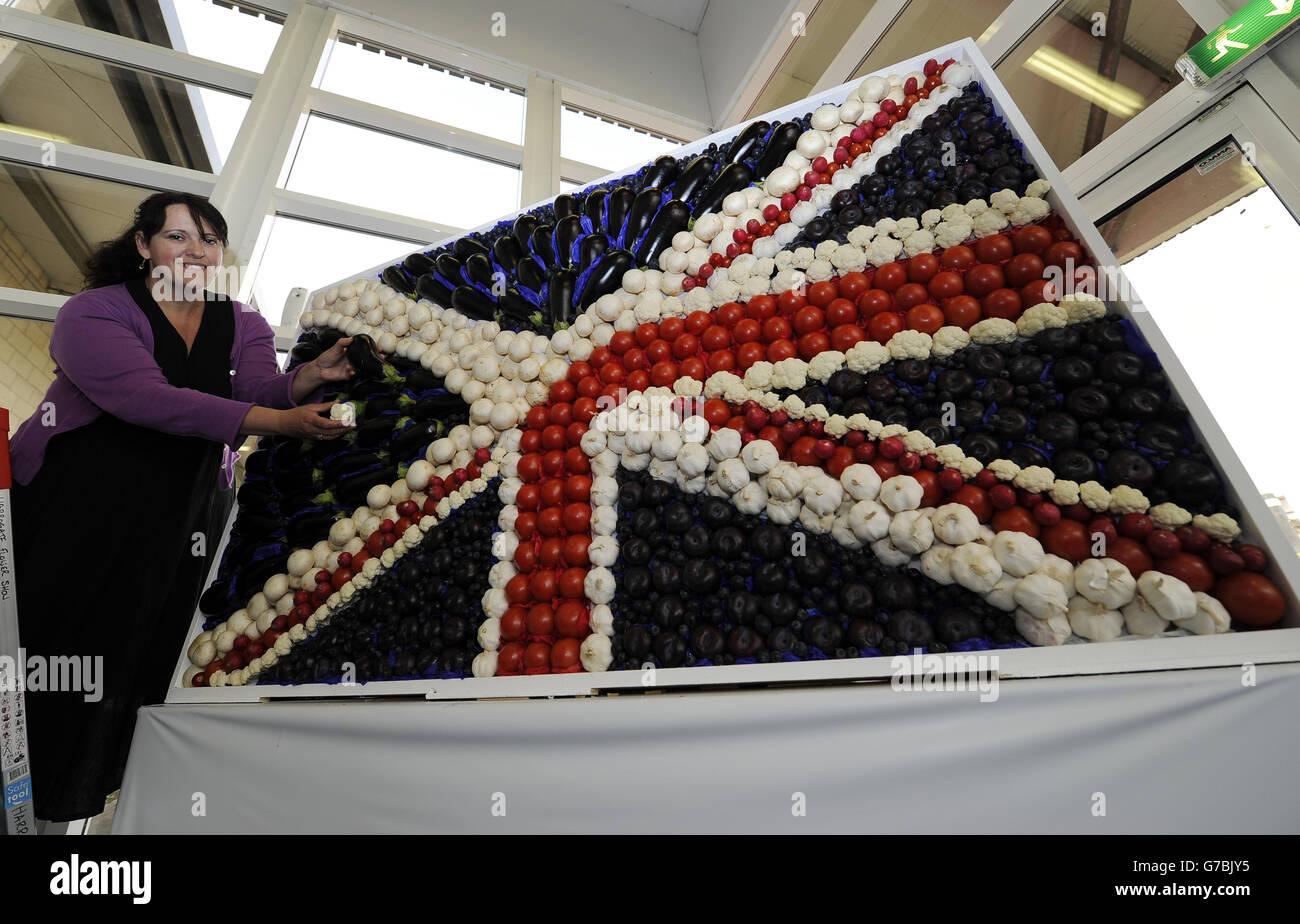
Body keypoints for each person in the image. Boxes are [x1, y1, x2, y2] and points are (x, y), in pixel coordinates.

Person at [7, 191, 358, 824]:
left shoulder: (242, 322)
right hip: (73, 508)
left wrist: (307, 380)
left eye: (210, 239)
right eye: (178, 237)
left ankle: (58, 808)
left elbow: (258, 388)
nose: (197, 250)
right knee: (44, 643)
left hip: (174, 522)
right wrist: (277, 418)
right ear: (143, 247)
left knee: (121, 660)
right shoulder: (95, 312)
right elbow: (148, 398)